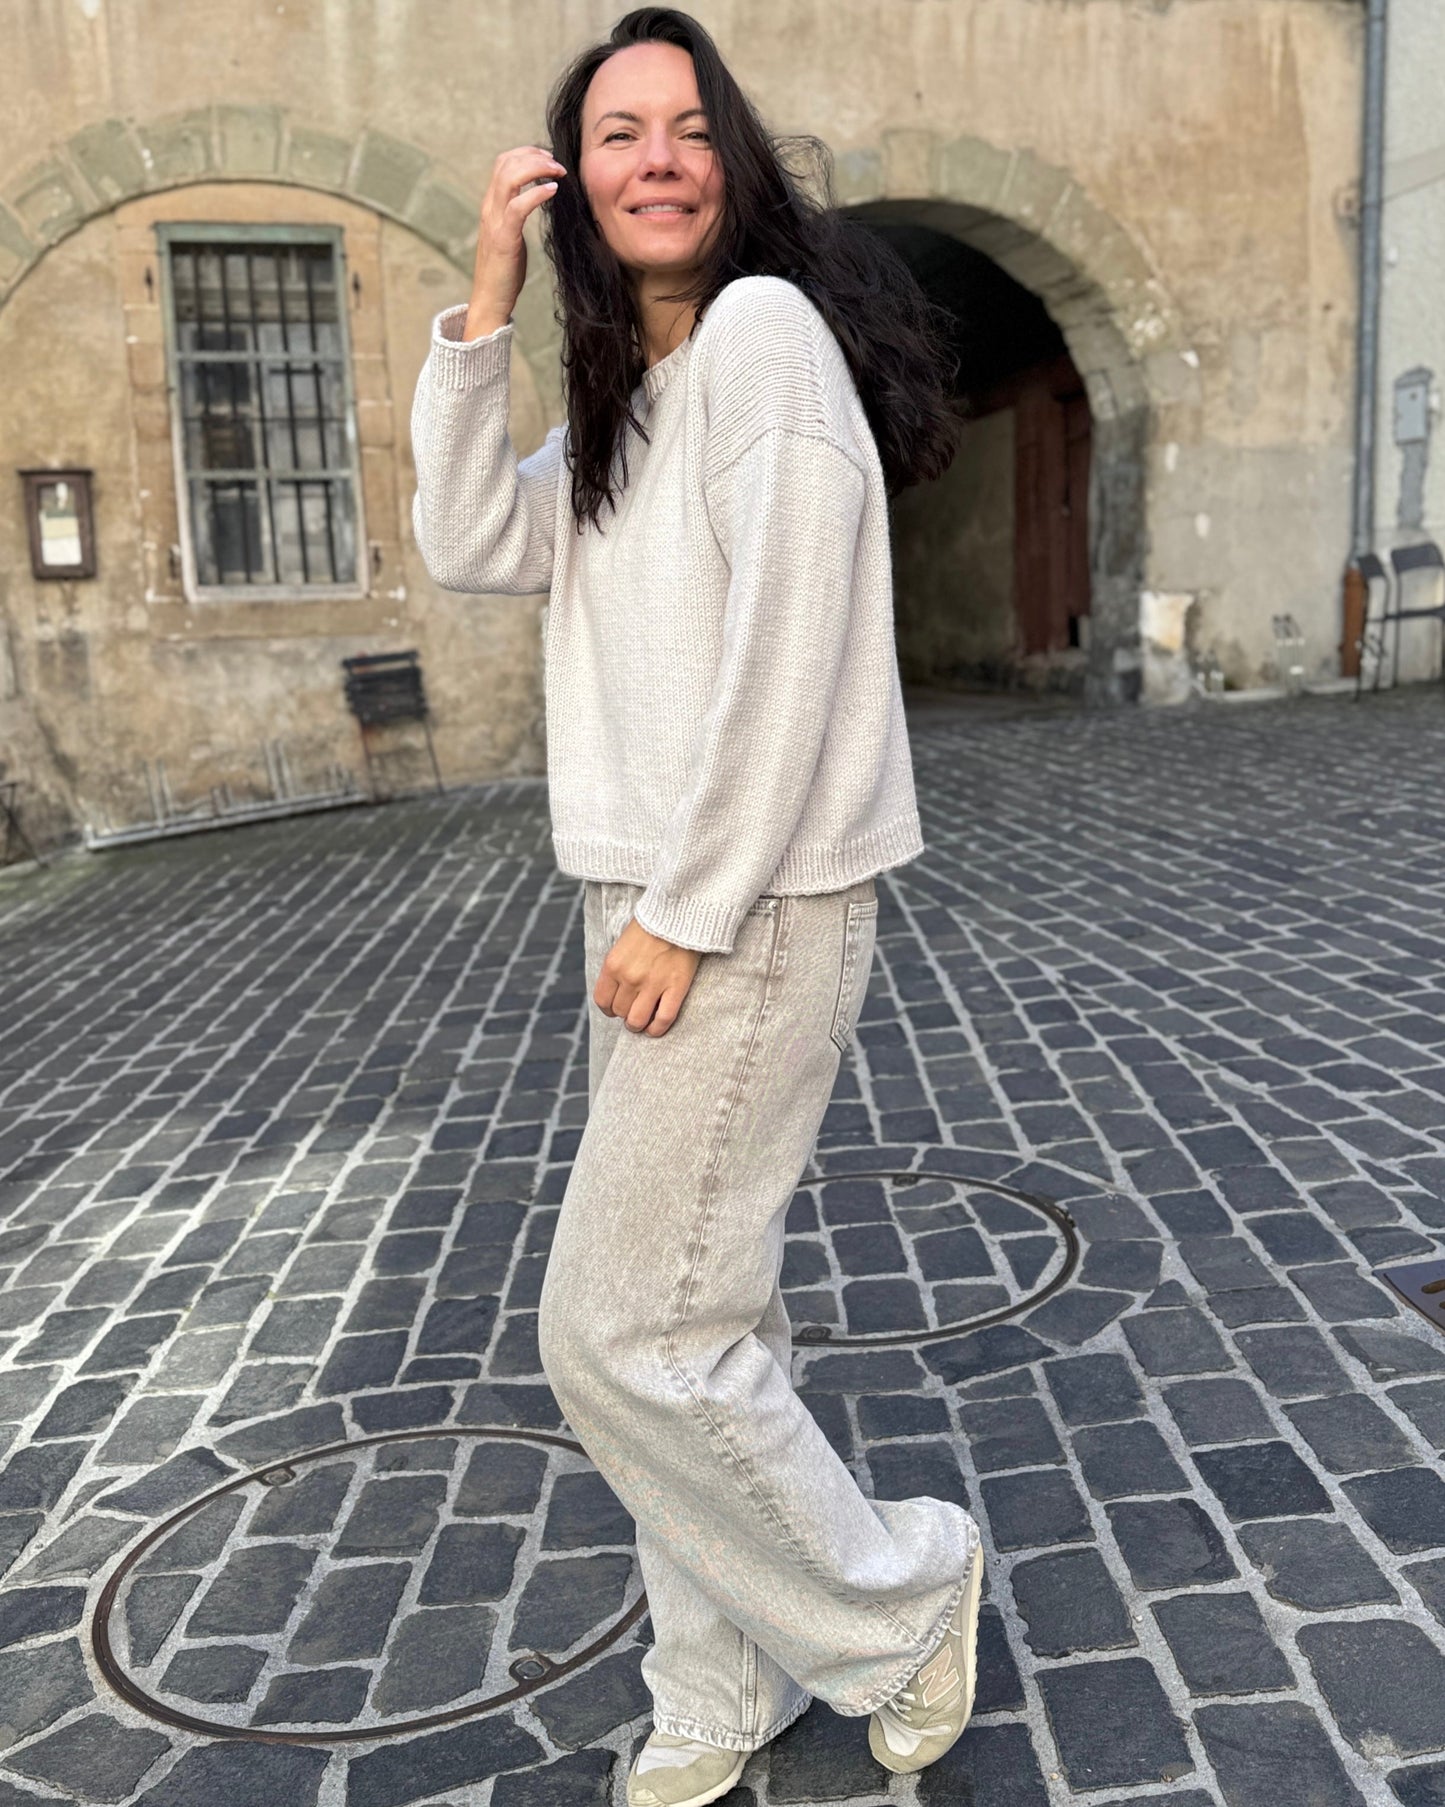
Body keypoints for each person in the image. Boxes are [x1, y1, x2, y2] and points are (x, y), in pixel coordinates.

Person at [410, 9, 984, 1803]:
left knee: (616, 1330)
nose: (652, 156)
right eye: (612, 134)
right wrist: (481, 300)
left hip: (739, 906)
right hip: (649, 900)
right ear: (571, 181)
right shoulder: (628, 395)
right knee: (705, 1321)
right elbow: (465, 543)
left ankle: (900, 1591)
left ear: (729, 161)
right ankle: (716, 1690)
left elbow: (791, 654)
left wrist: (687, 903)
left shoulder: (760, 335)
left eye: (684, 127)